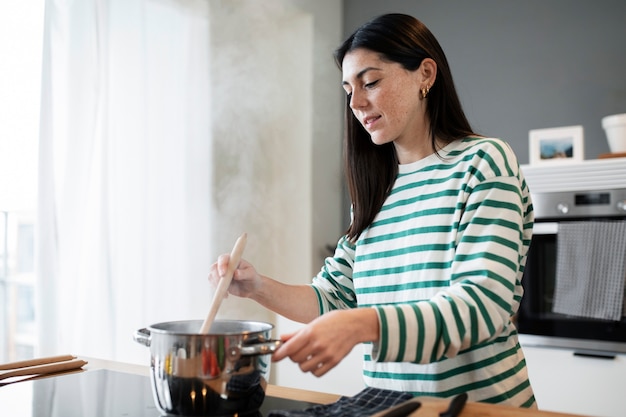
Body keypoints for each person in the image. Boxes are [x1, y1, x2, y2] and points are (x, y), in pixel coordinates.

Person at [209, 13, 536, 408]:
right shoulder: (375, 190)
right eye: (348, 89)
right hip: (393, 409)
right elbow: (334, 298)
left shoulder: (483, 162)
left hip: (480, 411)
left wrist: (364, 323)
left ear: (425, 75)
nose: (356, 103)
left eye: (371, 82)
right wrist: (257, 286)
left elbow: (481, 306)